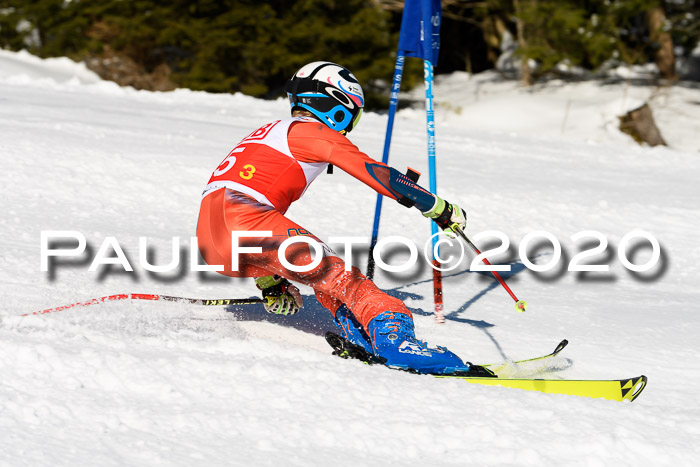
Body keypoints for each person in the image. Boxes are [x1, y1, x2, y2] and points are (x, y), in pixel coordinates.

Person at [197, 61, 476, 375]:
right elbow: (375, 172)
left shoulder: (270, 132)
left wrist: (270, 281)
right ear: (337, 103)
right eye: (353, 114)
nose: (348, 126)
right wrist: (436, 206)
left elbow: (231, 221)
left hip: (212, 241)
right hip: (249, 220)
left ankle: (360, 333)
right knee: (351, 284)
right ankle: (397, 345)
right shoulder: (312, 132)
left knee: (328, 281)